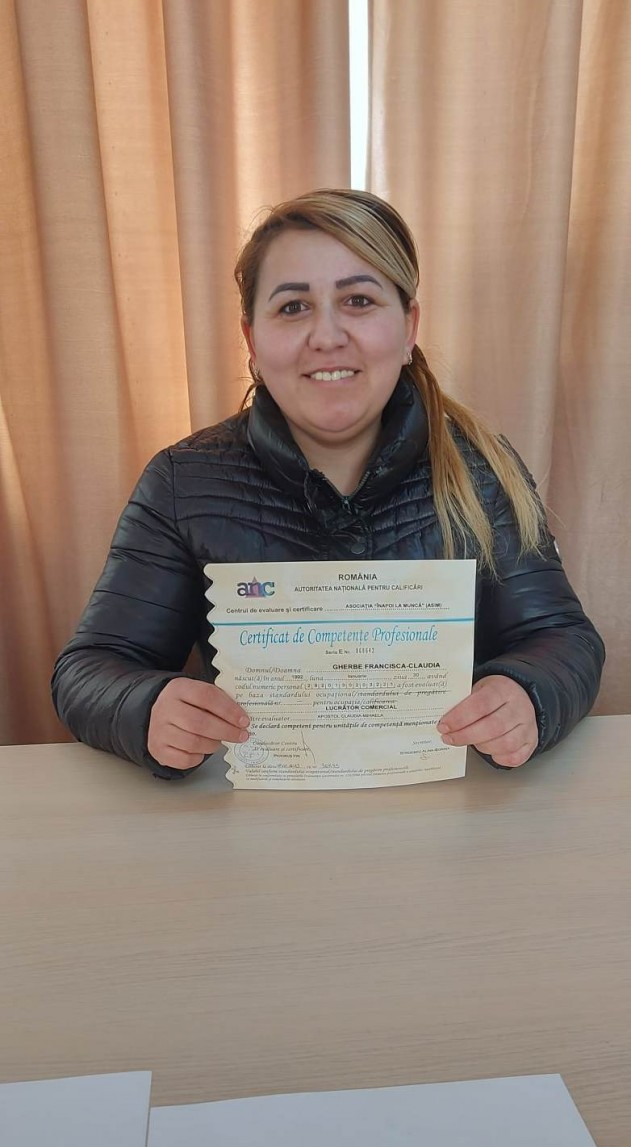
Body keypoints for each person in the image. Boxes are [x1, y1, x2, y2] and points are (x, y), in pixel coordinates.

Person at [52, 188, 604, 778]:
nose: (327, 335)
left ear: (409, 326)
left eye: (358, 300)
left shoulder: (483, 471)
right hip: (255, 812)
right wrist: (148, 708)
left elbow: (563, 638)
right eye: (293, 307)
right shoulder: (183, 480)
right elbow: (90, 668)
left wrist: (526, 695)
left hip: (452, 805)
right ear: (252, 341)